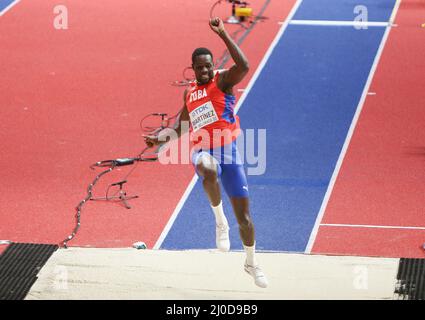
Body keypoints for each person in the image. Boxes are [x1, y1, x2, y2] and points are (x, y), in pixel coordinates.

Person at [144, 17, 268, 288]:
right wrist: (160, 140)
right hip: (202, 150)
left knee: (245, 220)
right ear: (193, 68)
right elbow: (180, 128)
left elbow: (244, 65)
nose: (204, 70)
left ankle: (251, 262)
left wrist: (223, 33)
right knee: (208, 169)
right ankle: (219, 221)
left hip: (230, 153)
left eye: (208, 66)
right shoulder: (189, 94)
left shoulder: (222, 81)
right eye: (199, 67)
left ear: (213, 66)